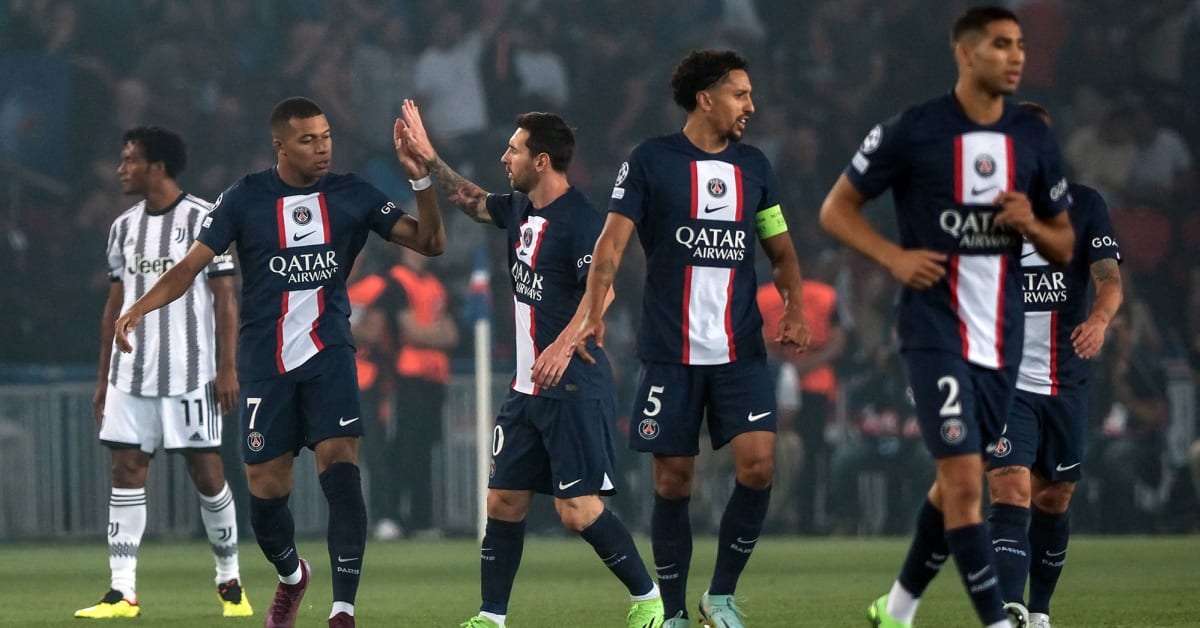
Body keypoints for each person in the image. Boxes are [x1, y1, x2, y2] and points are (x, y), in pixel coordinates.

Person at [112, 97, 446, 628]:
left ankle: (342, 610)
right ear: (281, 146)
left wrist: (422, 183)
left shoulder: (352, 193)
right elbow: (190, 267)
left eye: (327, 136)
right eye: (309, 139)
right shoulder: (245, 198)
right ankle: (292, 577)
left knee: (341, 470)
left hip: (330, 355)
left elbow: (431, 242)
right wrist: (138, 307)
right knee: (266, 500)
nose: (323, 147)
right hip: (266, 366)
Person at [533, 49, 811, 628]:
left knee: (759, 465)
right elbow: (611, 245)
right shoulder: (650, 161)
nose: (751, 106)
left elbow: (779, 248)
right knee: (673, 480)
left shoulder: (756, 167)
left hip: (740, 348)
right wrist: (591, 313)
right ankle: (677, 611)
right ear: (705, 98)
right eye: (740, 94)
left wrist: (796, 306)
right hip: (670, 350)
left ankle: (723, 596)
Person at [818, 6, 1075, 628]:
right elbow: (836, 209)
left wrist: (1030, 224)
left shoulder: (1033, 139)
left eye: (1019, 45)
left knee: (949, 485)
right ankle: (997, 620)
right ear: (963, 53)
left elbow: (1067, 244)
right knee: (966, 485)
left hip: (1001, 339)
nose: (1016, 56)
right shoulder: (914, 131)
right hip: (934, 331)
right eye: (999, 45)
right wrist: (894, 257)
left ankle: (897, 610)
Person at [398, 98, 665, 628]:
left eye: (514, 150)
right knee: (502, 501)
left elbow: (603, 296)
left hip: (571, 384)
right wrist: (428, 158)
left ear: (541, 161)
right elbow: (473, 201)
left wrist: (564, 344)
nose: (504, 157)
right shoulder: (521, 209)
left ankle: (648, 599)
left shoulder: (582, 222)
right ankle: (491, 617)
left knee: (576, 511)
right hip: (525, 389)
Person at [75, 126, 252, 620]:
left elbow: (224, 298)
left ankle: (229, 579)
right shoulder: (123, 227)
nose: (120, 169)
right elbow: (115, 306)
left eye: (129, 160)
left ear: (156, 166)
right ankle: (121, 591)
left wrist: (227, 367)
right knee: (126, 472)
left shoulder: (203, 218)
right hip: (131, 377)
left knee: (208, 475)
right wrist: (102, 379)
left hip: (190, 373)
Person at [985, 102, 1123, 628]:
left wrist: (1101, 321)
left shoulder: (1086, 205)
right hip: (1007, 381)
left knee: (1054, 496)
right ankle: (1007, 612)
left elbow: (1108, 278)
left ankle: (1038, 612)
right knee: (1012, 487)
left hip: (1067, 379)